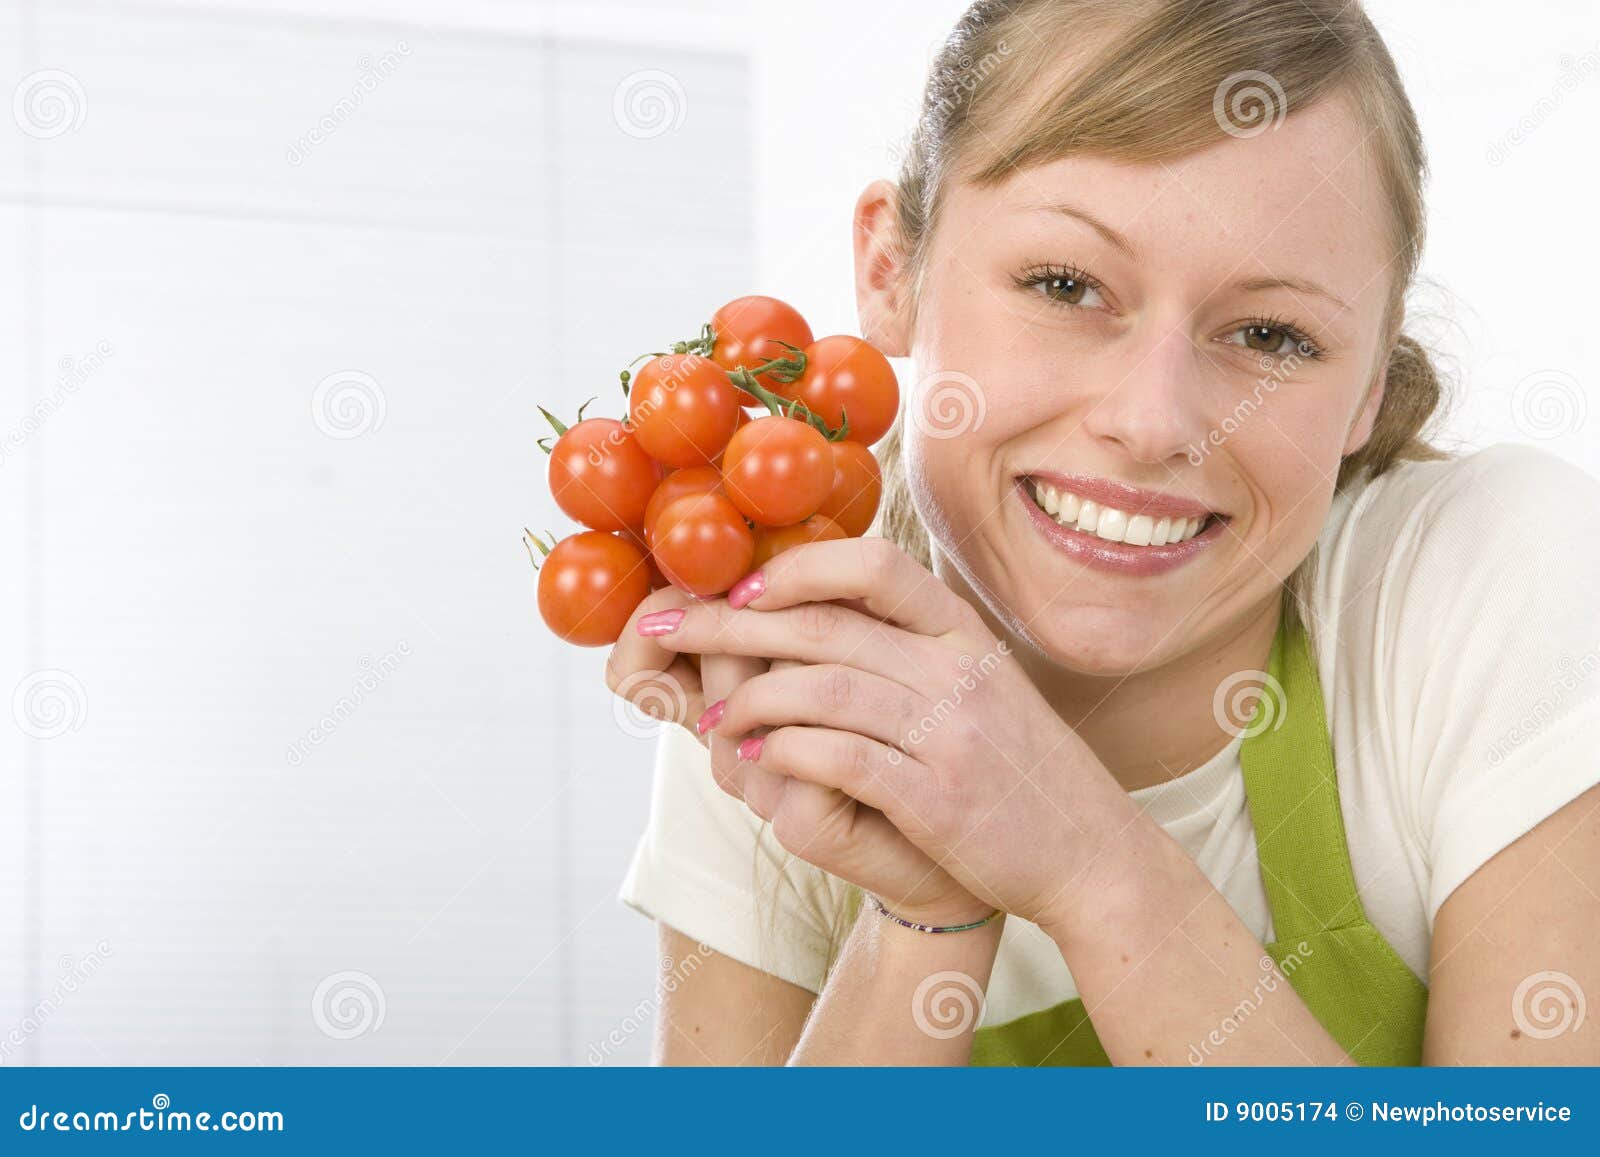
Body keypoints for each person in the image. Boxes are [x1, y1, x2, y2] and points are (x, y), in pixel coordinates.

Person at [607, 0, 1600, 1065]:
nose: (1152, 420)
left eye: (1271, 333)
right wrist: (926, 920)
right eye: (1065, 284)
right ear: (891, 271)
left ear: (1366, 386)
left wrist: (1084, 858)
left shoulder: (1494, 579)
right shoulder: (792, 649)